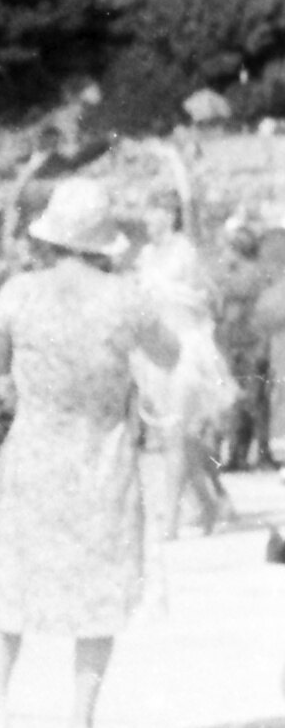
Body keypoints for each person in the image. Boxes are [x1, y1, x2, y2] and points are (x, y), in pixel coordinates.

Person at [0, 178, 178, 728]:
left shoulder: (19, 292)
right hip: (102, 455)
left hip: (35, 451)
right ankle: (79, 727)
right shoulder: (126, 298)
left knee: (6, 587)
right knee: (97, 594)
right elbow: (170, 354)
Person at [129, 141, 237, 537]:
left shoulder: (185, 245)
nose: (149, 219)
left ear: (170, 216)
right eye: (147, 212)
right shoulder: (145, 256)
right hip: (157, 355)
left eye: (156, 211)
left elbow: (190, 204)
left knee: (176, 435)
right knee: (176, 438)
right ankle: (210, 503)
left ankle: (172, 520)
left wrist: (173, 160)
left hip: (189, 351)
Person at [210, 214, 275, 471]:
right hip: (234, 338)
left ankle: (258, 453)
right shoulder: (233, 270)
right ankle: (239, 454)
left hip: (251, 338)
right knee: (238, 399)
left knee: (254, 398)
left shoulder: (252, 272)